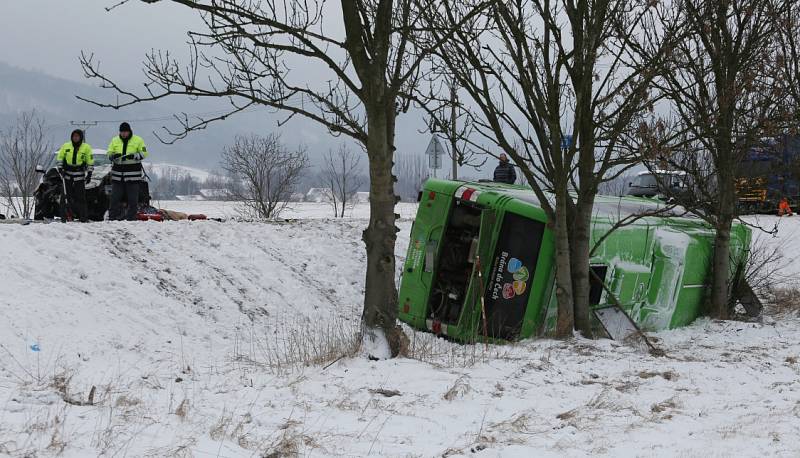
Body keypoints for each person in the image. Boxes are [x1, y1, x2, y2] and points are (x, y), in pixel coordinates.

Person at [107, 122, 149, 221]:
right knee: (114, 198)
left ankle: (131, 218)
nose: (124, 134)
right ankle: (112, 218)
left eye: (125, 132)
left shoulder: (138, 140)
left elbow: (144, 153)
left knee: (133, 199)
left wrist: (134, 156)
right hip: (118, 176)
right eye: (122, 132)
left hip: (133, 176)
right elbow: (109, 152)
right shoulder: (114, 140)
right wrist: (112, 156)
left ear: (129, 131)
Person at [56, 129, 94, 222]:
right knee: (65, 196)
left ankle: (83, 218)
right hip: (67, 175)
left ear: (81, 137)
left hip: (79, 175)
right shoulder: (66, 146)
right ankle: (65, 217)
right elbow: (60, 157)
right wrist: (60, 169)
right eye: (74, 136)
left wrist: (89, 173)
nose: (75, 138)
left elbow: (90, 161)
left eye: (77, 136)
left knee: (80, 197)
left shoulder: (86, 147)